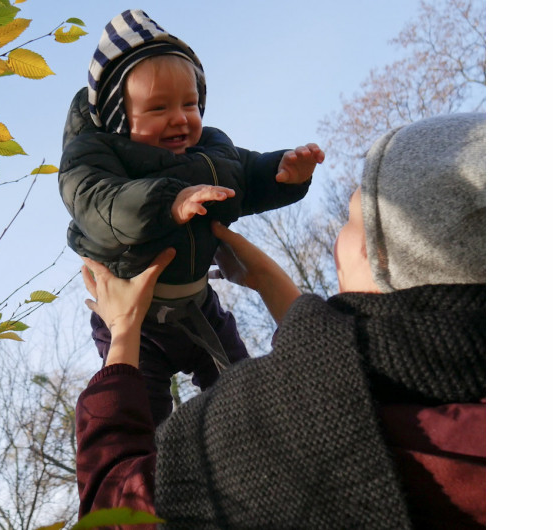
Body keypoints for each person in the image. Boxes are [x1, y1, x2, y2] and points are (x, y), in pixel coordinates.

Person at [75, 113, 486, 528]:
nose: (338, 239)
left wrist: (124, 332)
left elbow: (113, 511)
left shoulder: (273, 440)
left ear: (382, 255)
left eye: (352, 221)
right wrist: (275, 287)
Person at [59, 9, 324, 426]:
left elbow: (243, 176)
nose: (180, 118)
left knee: (242, 391)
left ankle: (250, 447)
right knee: (144, 416)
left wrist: (283, 174)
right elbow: (99, 203)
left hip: (199, 306)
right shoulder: (97, 156)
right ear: (118, 118)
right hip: (133, 320)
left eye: (190, 103)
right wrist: (170, 202)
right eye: (159, 108)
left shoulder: (210, 153)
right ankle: (160, 472)